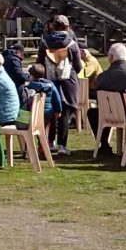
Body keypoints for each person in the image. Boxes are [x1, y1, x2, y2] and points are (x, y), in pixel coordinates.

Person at [36, 15, 82, 154]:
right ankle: (62, 145)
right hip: (68, 82)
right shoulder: (72, 44)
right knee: (66, 112)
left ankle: (49, 142)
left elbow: (39, 62)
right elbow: (78, 66)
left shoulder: (44, 43)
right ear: (67, 27)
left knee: (50, 111)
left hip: (49, 81)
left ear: (53, 26)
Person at [24, 64, 65, 140]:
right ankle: (45, 143)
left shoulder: (30, 86)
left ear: (31, 75)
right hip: (48, 112)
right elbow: (57, 98)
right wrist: (58, 110)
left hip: (34, 112)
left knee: (36, 128)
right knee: (45, 127)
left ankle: (41, 143)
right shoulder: (50, 84)